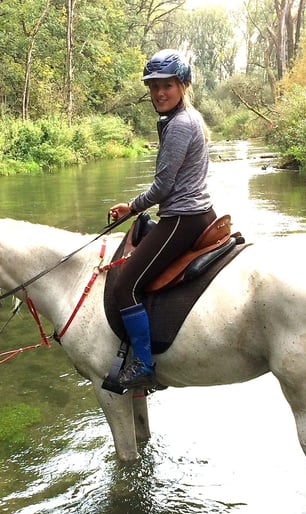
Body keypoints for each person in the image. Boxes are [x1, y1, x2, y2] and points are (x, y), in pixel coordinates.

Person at [109, 49, 216, 388]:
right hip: (197, 213)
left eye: (167, 85)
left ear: (183, 84)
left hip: (182, 219)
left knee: (125, 285)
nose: (159, 93)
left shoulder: (180, 125)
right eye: (153, 86)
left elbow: (162, 186)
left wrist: (132, 207)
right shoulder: (182, 119)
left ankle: (142, 363)